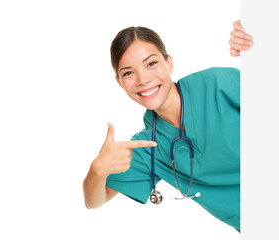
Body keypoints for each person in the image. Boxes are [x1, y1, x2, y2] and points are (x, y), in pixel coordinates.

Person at [83, 20, 253, 232]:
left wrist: (260, 46)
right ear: (119, 82)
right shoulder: (148, 148)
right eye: (128, 73)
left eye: (151, 63)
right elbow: (94, 201)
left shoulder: (217, 84)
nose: (143, 79)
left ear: (169, 63)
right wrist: (97, 170)